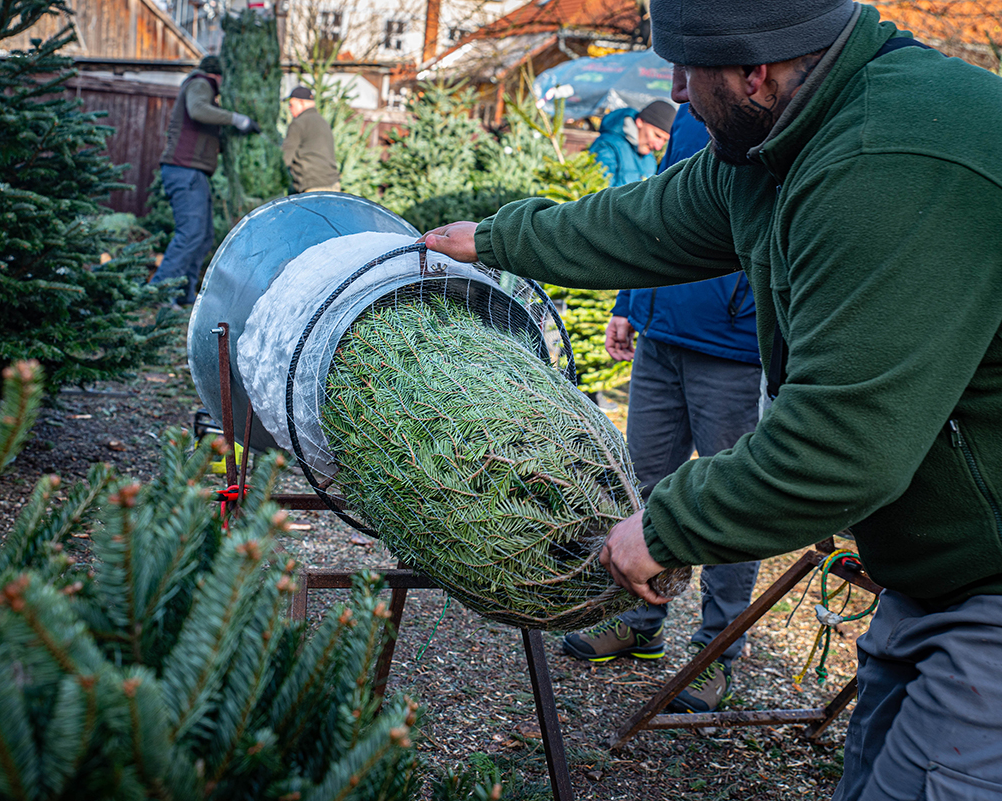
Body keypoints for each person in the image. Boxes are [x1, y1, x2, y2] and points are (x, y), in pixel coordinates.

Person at [420, 0, 1002, 797]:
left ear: (754, 72)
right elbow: (656, 219)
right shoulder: (781, 137)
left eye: (690, 71)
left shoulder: (886, 161)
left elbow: (840, 445)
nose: (680, 93)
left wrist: (665, 527)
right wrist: (494, 240)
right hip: (940, 574)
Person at [562, 105, 763, 716]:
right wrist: (630, 298)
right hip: (660, 336)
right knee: (640, 483)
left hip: (733, 348)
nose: (677, 83)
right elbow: (663, 209)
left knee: (729, 504)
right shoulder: (685, 112)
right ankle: (637, 622)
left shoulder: (772, 100)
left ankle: (715, 656)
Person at [151, 55, 260, 307]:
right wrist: (237, 119)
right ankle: (159, 292)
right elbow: (197, 110)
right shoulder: (201, 83)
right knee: (190, 234)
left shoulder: (205, 88)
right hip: (184, 170)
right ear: (218, 76)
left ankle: (184, 294)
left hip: (192, 172)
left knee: (203, 236)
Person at [588, 99, 675, 185]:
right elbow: (599, 193)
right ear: (640, 122)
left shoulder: (650, 160)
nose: (658, 147)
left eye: (665, 140)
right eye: (657, 136)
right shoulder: (606, 146)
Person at [282, 86, 341, 193]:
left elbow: (285, 158)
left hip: (312, 188)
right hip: (333, 185)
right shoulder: (323, 121)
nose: (290, 109)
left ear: (301, 103)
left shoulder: (298, 124)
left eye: (291, 105)